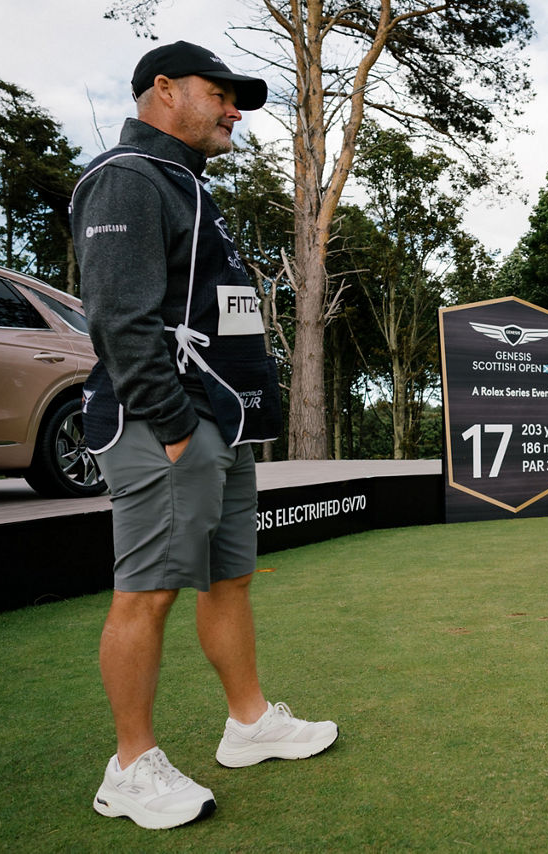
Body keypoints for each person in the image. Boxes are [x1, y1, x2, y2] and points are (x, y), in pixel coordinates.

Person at [72, 40, 337, 830]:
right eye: (219, 94)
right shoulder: (125, 178)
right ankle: (128, 768)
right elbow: (120, 320)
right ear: (162, 89)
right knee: (145, 593)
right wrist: (179, 428)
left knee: (230, 581)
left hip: (218, 426)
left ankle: (249, 723)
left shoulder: (188, 186)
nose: (233, 111)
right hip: (164, 425)